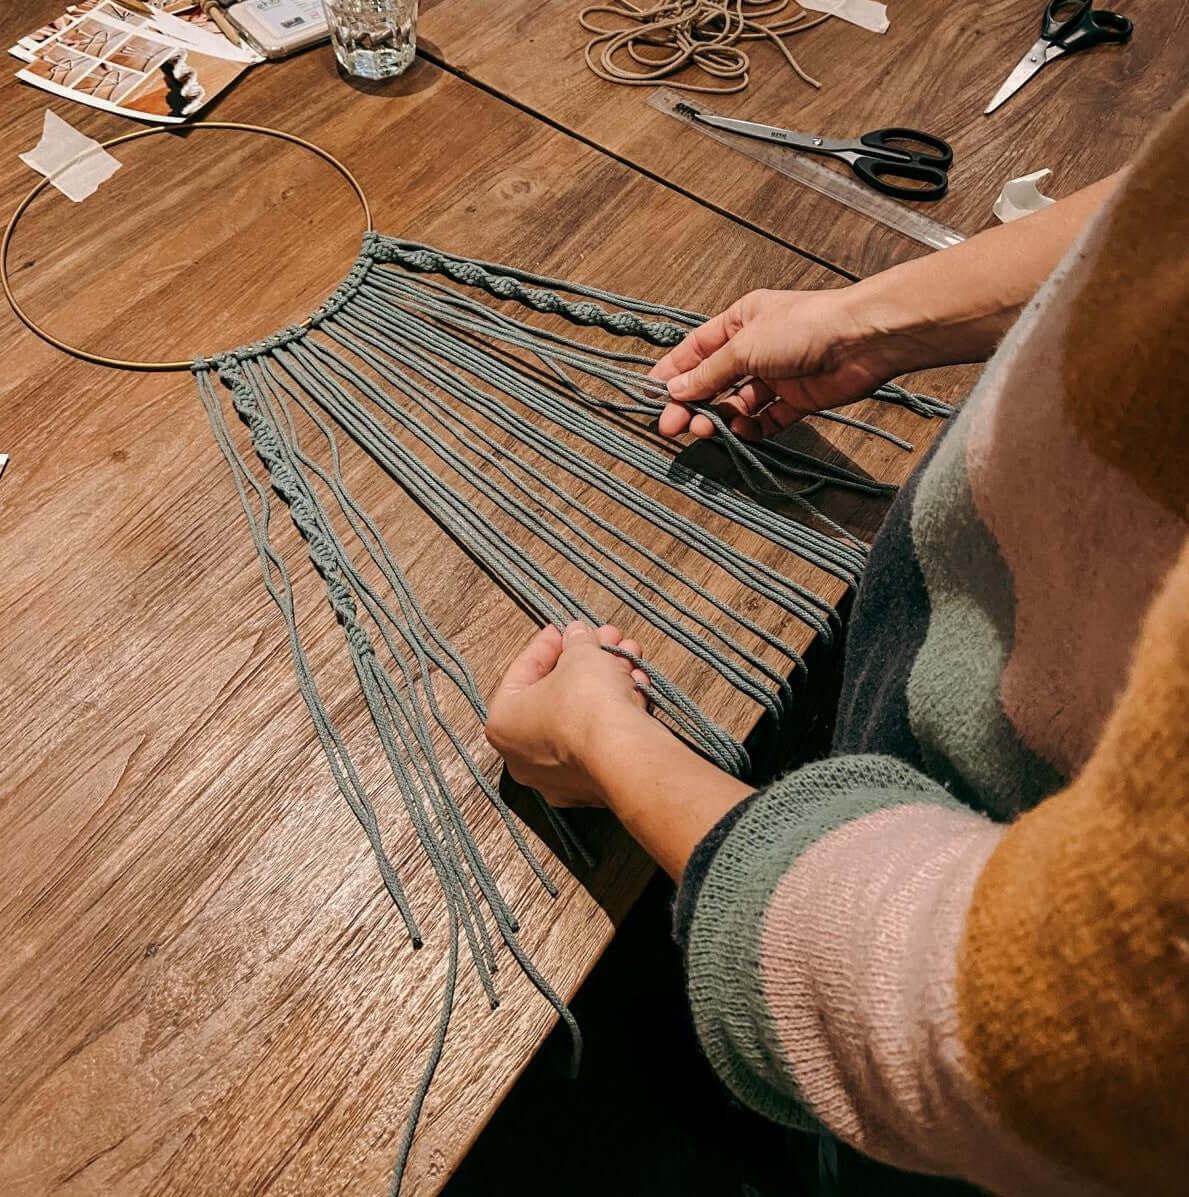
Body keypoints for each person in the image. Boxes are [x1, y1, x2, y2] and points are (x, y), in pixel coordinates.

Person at [485, 95, 1188, 1196]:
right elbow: (1168, 210)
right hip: (926, 721)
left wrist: (611, 749)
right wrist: (877, 321)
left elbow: (1023, 1041)